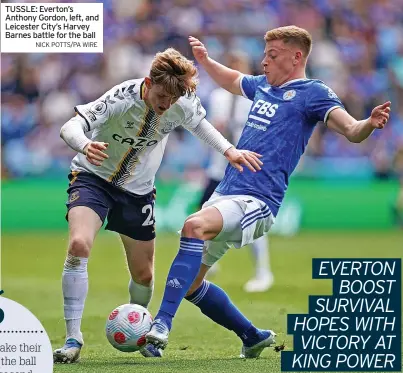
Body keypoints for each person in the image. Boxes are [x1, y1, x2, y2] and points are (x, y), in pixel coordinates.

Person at [144, 26, 391, 358]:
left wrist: (368, 124)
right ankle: (252, 336)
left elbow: (350, 129)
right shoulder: (263, 86)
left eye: (272, 56)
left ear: (296, 56)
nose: (264, 62)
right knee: (190, 284)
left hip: (258, 200)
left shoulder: (313, 92)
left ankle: (160, 325)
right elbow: (232, 79)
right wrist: (205, 60)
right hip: (227, 191)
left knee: (193, 225)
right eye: (264, 55)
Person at [53, 47, 263, 364]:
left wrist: (229, 151)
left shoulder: (182, 100)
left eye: (173, 99)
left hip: (138, 192)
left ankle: (137, 325)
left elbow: (201, 126)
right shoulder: (121, 96)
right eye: (162, 95)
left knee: (144, 276)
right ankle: (73, 339)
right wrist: (85, 143)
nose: (166, 104)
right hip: (92, 177)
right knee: (80, 244)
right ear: (149, 83)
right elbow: (70, 126)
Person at [200, 52, 273, 292]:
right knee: (205, 213)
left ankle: (263, 272)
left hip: (245, 167)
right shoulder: (217, 96)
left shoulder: (257, 97)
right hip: (219, 166)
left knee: (251, 219)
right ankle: (207, 265)